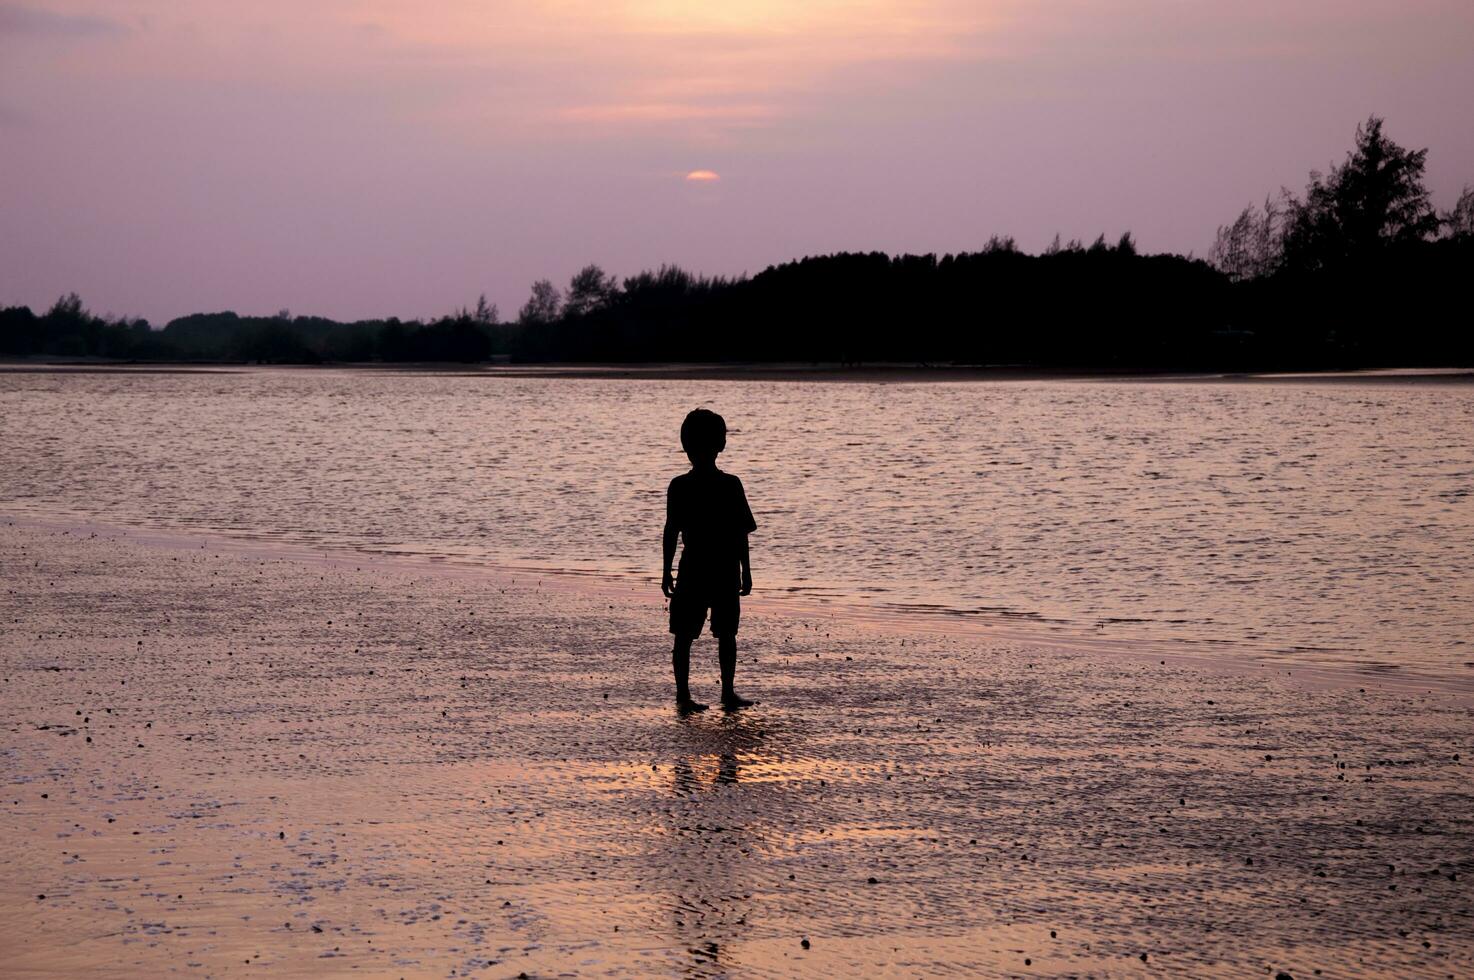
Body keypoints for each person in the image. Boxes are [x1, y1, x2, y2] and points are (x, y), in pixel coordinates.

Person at [662, 408, 758, 713]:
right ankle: (723, 693)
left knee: (688, 635)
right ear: (721, 444)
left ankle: (687, 696)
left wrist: (666, 570)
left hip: (696, 567)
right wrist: (746, 570)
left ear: (687, 445)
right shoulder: (728, 484)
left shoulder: (683, 485)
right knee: (719, 634)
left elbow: (671, 532)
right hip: (719, 567)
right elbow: (740, 532)